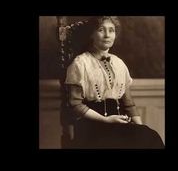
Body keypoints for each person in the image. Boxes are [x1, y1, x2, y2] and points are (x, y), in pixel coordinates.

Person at [63, 16, 164, 149]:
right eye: (101, 30)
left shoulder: (119, 63)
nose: (107, 35)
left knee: (149, 136)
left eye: (111, 30)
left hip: (117, 122)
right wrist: (106, 120)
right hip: (90, 126)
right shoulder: (80, 63)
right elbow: (75, 104)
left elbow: (128, 104)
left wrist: (141, 129)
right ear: (91, 34)